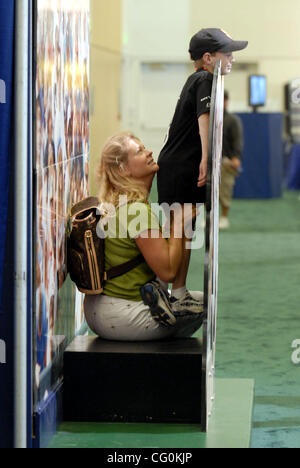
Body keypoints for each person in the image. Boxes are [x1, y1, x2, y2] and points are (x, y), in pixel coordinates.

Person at [84, 132, 204, 342]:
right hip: (121, 315)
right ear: (123, 168)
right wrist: (178, 222)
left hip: (98, 311)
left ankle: (162, 306)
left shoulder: (117, 203)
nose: (149, 152)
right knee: (204, 305)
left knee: (186, 301)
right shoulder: (136, 211)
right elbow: (168, 271)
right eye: (139, 151)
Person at [157, 28, 248, 306]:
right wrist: (207, 160)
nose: (232, 58)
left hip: (180, 165)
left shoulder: (199, 78)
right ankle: (161, 288)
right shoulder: (205, 78)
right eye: (227, 53)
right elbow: (203, 120)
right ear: (208, 58)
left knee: (185, 229)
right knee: (179, 228)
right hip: (182, 166)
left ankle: (178, 290)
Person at [219, 90, 244, 230]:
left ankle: (224, 218)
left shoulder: (232, 120)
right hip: (211, 161)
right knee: (208, 191)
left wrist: (236, 157)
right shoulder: (208, 118)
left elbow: (237, 141)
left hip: (226, 162)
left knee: (225, 190)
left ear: (226, 101)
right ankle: (209, 217)